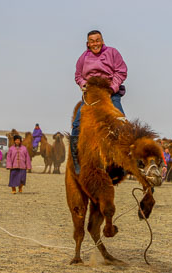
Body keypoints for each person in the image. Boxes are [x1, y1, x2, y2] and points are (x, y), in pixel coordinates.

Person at [71, 30, 128, 174]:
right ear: (88, 43)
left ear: (102, 41)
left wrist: (112, 88)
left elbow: (121, 71)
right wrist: (84, 84)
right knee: (77, 123)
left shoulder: (113, 53)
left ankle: (125, 161)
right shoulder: (83, 58)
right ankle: (77, 160)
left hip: (110, 92)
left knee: (121, 122)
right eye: (92, 41)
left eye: (98, 40)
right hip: (91, 94)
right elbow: (78, 75)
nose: (95, 43)